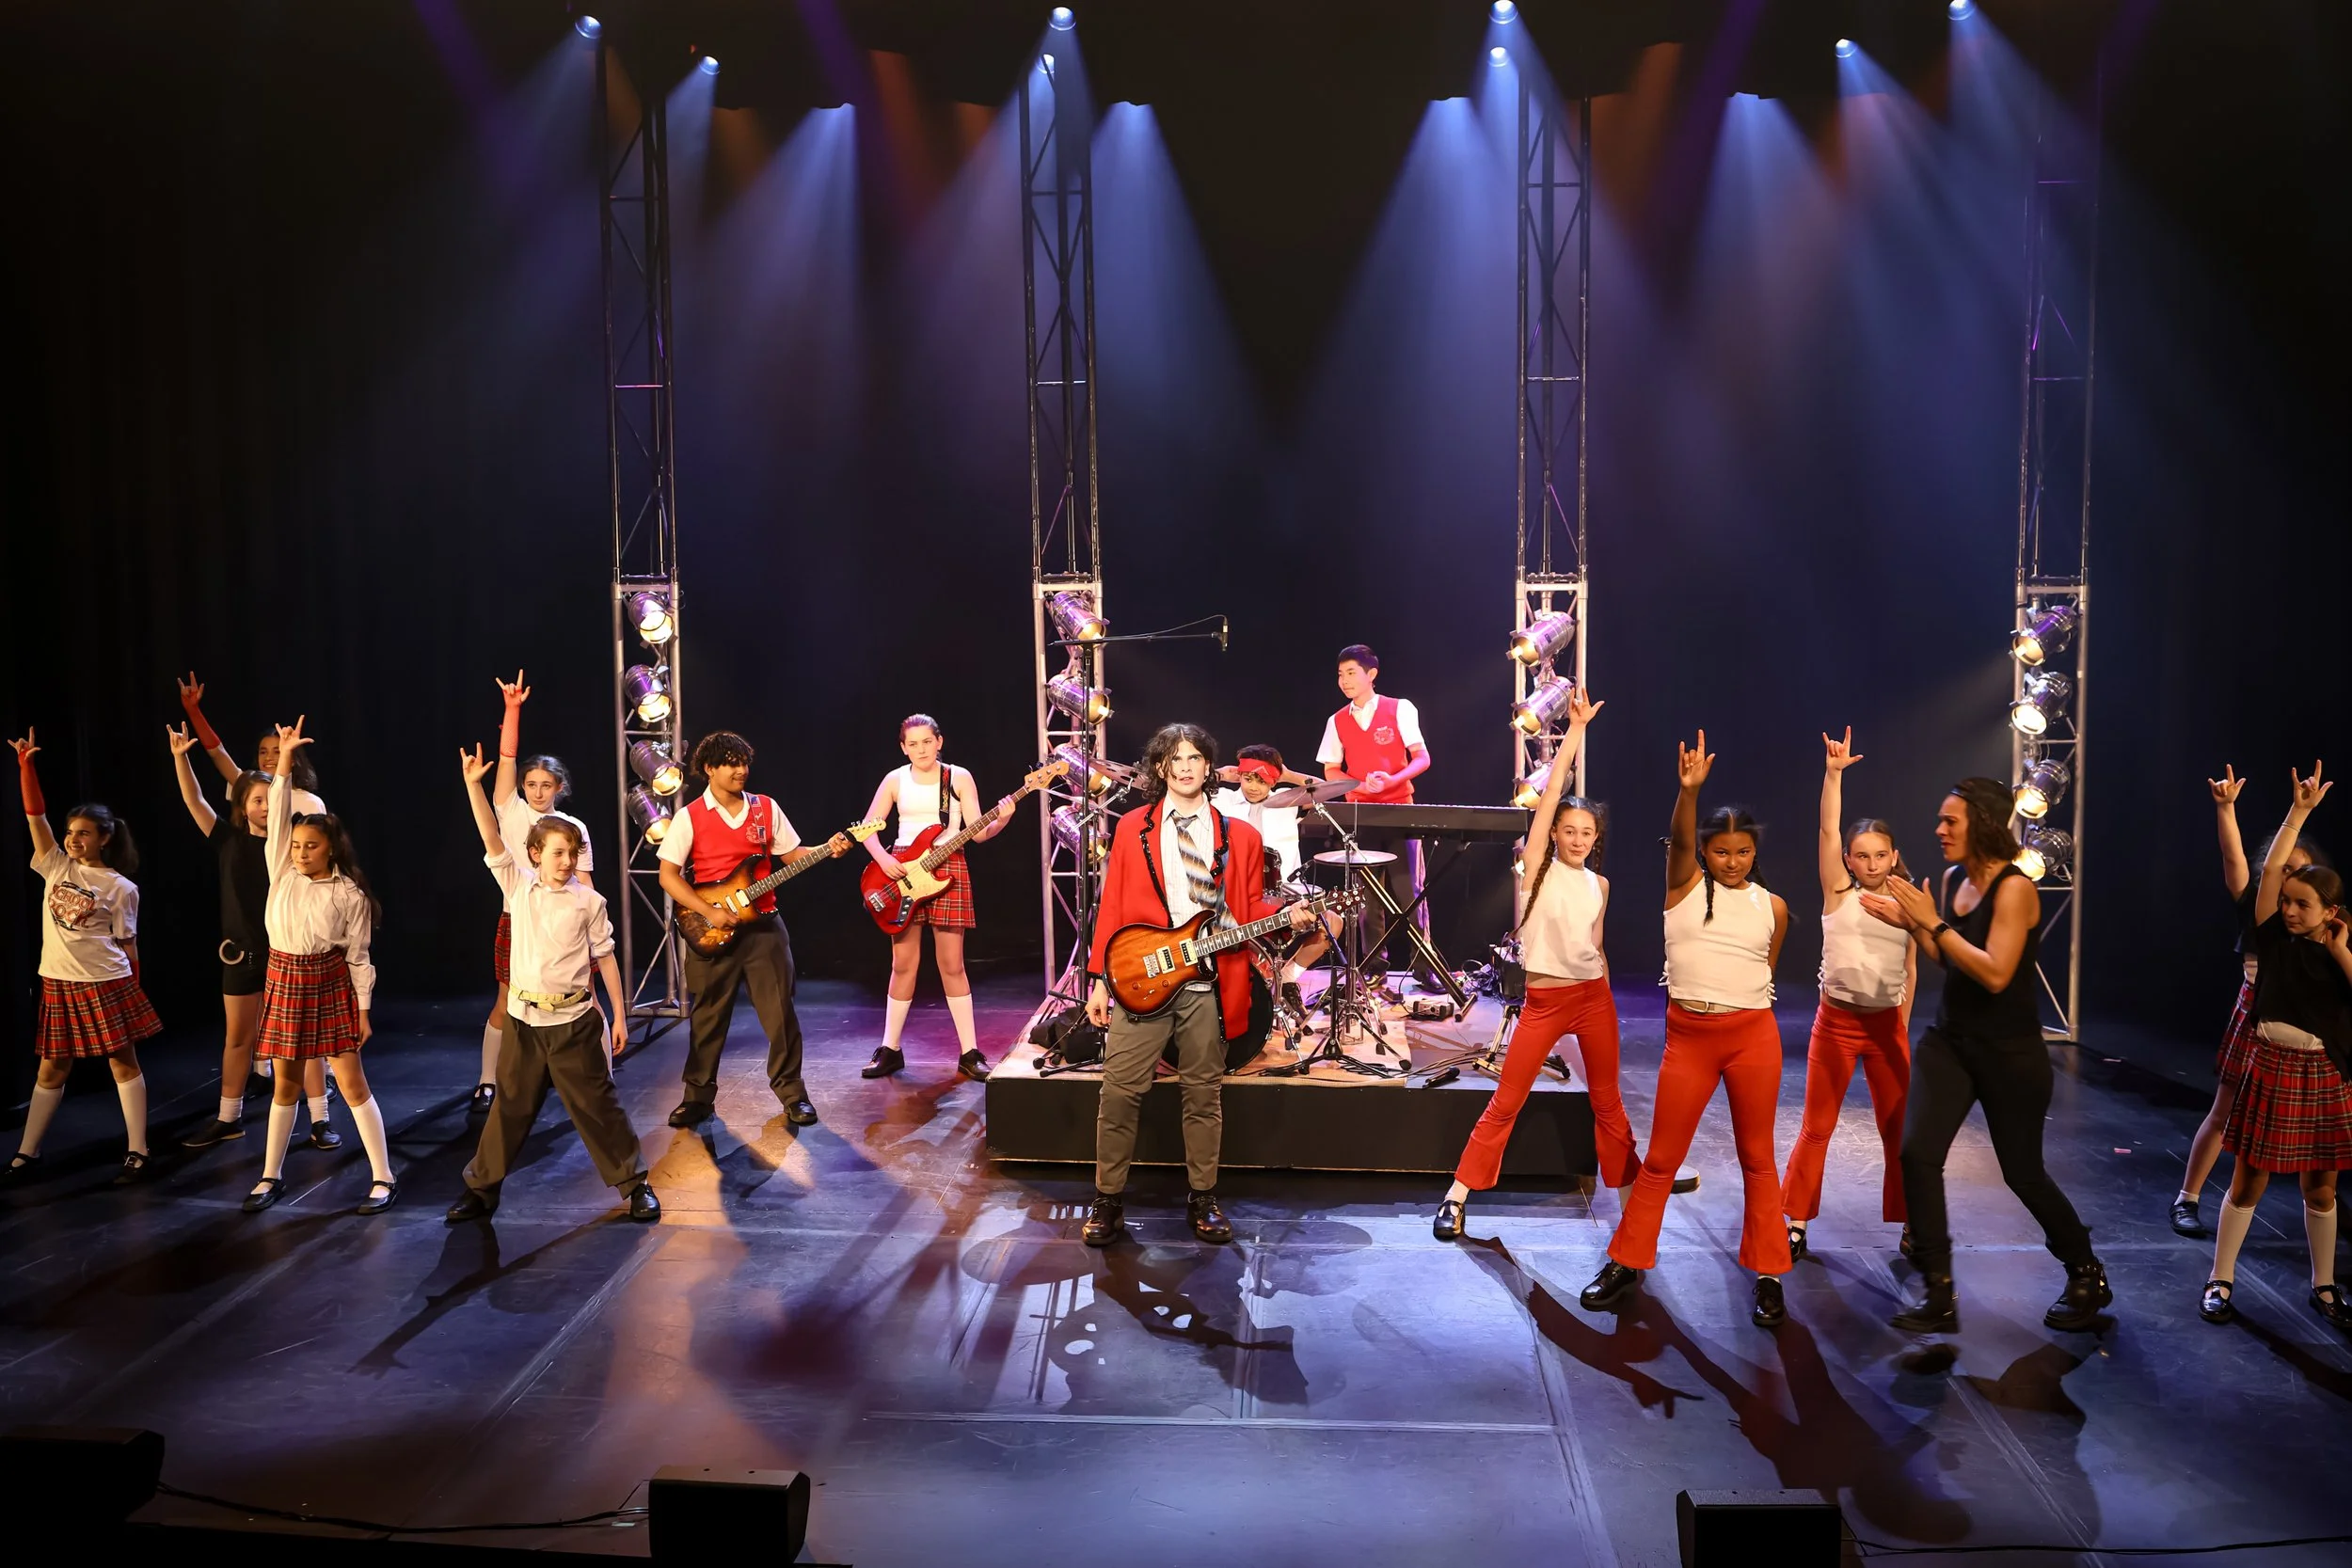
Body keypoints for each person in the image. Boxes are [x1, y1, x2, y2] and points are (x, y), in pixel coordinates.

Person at [1864, 778, 2109, 1333]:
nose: (1940, 830)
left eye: (1951, 821)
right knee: (1916, 1155)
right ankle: (1938, 1290)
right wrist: (1914, 924)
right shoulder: (1954, 880)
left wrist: (1932, 923)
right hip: (1950, 1042)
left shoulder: (2016, 888)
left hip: (2009, 1052)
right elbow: (1948, 956)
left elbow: (1996, 973)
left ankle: (2085, 1271)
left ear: (1985, 823)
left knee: (2023, 1173)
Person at [1579, 732, 1794, 1328]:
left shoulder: (1771, 907)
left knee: (1757, 1159)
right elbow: (1678, 838)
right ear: (1704, 853)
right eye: (1721, 851)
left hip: (1752, 1036)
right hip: (1690, 1038)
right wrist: (1688, 791)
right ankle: (1627, 1259)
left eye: (1743, 852)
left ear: (1755, 853)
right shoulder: (1683, 887)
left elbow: (1763, 971)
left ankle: (1770, 1274)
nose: (1733, 860)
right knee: (1661, 1160)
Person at [1081, 723, 1318, 1247]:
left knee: (1203, 1096)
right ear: (1160, 768)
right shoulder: (1131, 827)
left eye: (1195, 758)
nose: (1186, 766)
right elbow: (1112, 904)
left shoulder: (1242, 837)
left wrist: (1289, 915)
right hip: (1141, 974)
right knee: (1119, 1093)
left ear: (1210, 768)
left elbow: (1247, 912)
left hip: (1207, 983)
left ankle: (1203, 1197)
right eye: (1175, 758)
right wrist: (1098, 978)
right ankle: (1107, 1198)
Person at [1432, 690, 1639, 1241]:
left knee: (1609, 1105)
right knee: (1506, 1101)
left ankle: (1630, 1206)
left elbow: (1599, 949)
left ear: (1596, 840)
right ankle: (1457, 1195)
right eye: (1567, 830)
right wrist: (1573, 732)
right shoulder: (1537, 868)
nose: (1575, 838)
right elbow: (1547, 800)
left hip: (1594, 999)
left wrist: (1609, 1005)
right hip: (1545, 1002)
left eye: (1585, 832)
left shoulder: (1601, 884)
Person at [445, 745, 656, 1224]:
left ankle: (634, 1184)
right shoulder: (518, 888)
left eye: (572, 853)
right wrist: (473, 786)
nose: (566, 861)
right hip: (524, 1022)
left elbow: (605, 959)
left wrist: (619, 1015)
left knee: (597, 1107)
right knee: (509, 1109)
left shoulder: (588, 902)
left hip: (572, 1022)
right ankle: (481, 1190)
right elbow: (491, 837)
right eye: (558, 853)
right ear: (536, 854)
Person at [2200, 765, 2352, 1330]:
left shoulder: (2337, 951)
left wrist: (2339, 951)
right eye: (2285, 900)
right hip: (2273, 1064)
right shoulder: (2274, 940)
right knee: (2250, 1179)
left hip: (2322, 1072)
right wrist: (2299, 813)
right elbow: (2259, 874)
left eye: (2301, 904)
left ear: (2329, 913)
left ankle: (2325, 1286)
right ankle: (2221, 1277)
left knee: (2322, 1186)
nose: (2288, 910)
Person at [242, 719, 400, 1215]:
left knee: (352, 1084)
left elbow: (358, 958)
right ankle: (270, 1175)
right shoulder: (280, 870)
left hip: (328, 983)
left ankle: (383, 1176)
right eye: (295, 845)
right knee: (286, 1085)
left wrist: (364, 1011)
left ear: (330, 847)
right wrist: (284, 757)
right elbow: (280, 803)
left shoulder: (348, 893)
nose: (301, 852)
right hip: (285, 979)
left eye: (311, 846)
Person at [656, 730, 850, 1131]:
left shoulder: (765, 808)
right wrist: (707, 910)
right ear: (709, 769)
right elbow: (669, 877)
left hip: (764, 927)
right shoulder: (689, 816)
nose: (740, 770)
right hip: (711, 929)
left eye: (744, 762)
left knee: (780, 1014)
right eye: (730, 763)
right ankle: (697, 1098)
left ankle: (793, 1094)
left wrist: (826, 849)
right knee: (708, 1017)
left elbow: (790, 855)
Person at [168, 727, 339, 1153]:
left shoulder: (287, 846)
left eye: (270, 799)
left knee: (305, 1038)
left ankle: (319, 1117)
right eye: (256, 800)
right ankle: (228, 1117)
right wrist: (180, 758)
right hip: (241, 955)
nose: (265, 806)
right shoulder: (228, 839)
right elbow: (194, 801)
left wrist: (285, 761)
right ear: (242, 805)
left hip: (287, 954)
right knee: (239, 1038)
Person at [1781, 729, 1915, 1261]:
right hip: (1835, 1023)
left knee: (1897, 1130)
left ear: (1894, 856)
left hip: (1885, 1026)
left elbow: (1910, 967)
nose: (1871, 863)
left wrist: (1900, 1017)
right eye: (1861, 856)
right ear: (1849, 859)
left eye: (1880, 855)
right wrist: (1833, 774)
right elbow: (1826, 825)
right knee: (1818, 1126)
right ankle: (1795, 1220)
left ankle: (1911, 1222)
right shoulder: (1838, 892)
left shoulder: (1910, 900)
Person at [2171, 766, 2323, 1237]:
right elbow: (2232, 856)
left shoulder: (2314, 919)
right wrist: (2226, 808)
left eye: (2301, 872)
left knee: (2309, 1122)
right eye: (2285, 869)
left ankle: (2321, 1203)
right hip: (2254, 1015)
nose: (2290, 878)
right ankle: (2187, 1197)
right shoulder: (2256, 904)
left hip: (2300, 1029)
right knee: (2224, 1110)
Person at [5, 733, 159, 1185]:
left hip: (104, 982)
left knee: (122, 1062)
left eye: (83, 833)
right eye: (70, 832)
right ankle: (26, 1153)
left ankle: (138, 1150)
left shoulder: (120, 887)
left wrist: (134, 987)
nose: (73, 840)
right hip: (57, 980)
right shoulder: (55, 865)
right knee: (52, 1067)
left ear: (104, 838)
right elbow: (35, 815)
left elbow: (129, 945)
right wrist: (25, 767)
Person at [859, 714, 1015, 1084]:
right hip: (902, 871)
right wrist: (885, 860)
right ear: (903, 747)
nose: (920, 749)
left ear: (939, 741)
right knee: (903, 964)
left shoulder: (958, 777)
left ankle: (969, 1052)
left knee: (952, 964)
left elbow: (978, 832)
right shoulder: (894, 780)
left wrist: (1004, 819)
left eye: (926, 742)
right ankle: (890, 1049)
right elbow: (868, 829)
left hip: (949, 868)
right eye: (912, 744)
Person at [475, 672, 595, 1109]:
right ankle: (489, 1079)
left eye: (547, 785)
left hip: (564, 923)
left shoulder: (574, 828)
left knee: (573, 1000)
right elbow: (505, 761)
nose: (538, 791)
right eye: (532, 784)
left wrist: (592, 929)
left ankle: (578, 1079)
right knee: (508, 1000)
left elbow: (586, 883)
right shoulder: (511, 812)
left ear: (559, 788)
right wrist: (512, 710)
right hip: (519, 921)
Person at [1316, 643, 1437, 989]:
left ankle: (1425, 965)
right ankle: (1373, 965)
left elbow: (1421, 758)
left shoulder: (1400, 708)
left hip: (1400, 809)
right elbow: (1331, 771)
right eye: (1340, 674)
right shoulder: (1337, 720)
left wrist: (1393, 780)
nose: (1344, 680)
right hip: (1360, 813)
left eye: (1351, 672)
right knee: (1367, 897)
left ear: (1371, 674)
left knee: (1409, 890)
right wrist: (1359, 785)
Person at [1214, 743, 1332, 1008]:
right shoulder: (1222, 798)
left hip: (1283, 893)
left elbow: (1324, 789)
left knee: (1332, 924)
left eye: (1261, 779)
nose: (1253, 786)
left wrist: (1287, 775)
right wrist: (1221, 774)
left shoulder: (1288, 800)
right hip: (1233, 894)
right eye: (1247, 778)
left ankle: (1288, 978)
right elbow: (1184, 784)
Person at [177, 672, 326, 816]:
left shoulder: (310, 803)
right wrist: (194, 712)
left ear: (293, 759)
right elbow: (217, 753)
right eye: (263, 751)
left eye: (277, 751)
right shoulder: (250, 788)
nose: (268, 757)